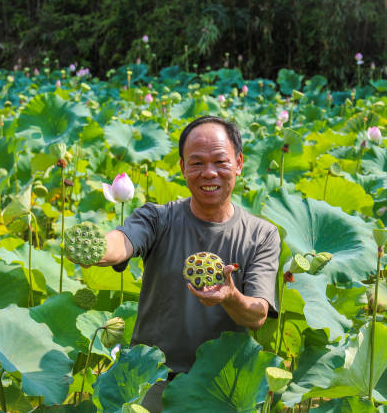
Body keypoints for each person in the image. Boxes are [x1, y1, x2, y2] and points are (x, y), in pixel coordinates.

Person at [92, 115, 280, 411]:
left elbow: (257, 314)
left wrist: (230, 297)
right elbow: (122, 242)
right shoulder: (157, 218)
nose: (209, 173)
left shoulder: (261, 235)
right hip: (152, 381)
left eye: (220, 162)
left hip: (221, 387)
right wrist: (98, 248)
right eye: (196, 163)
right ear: (182, 167)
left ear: (240, 163)